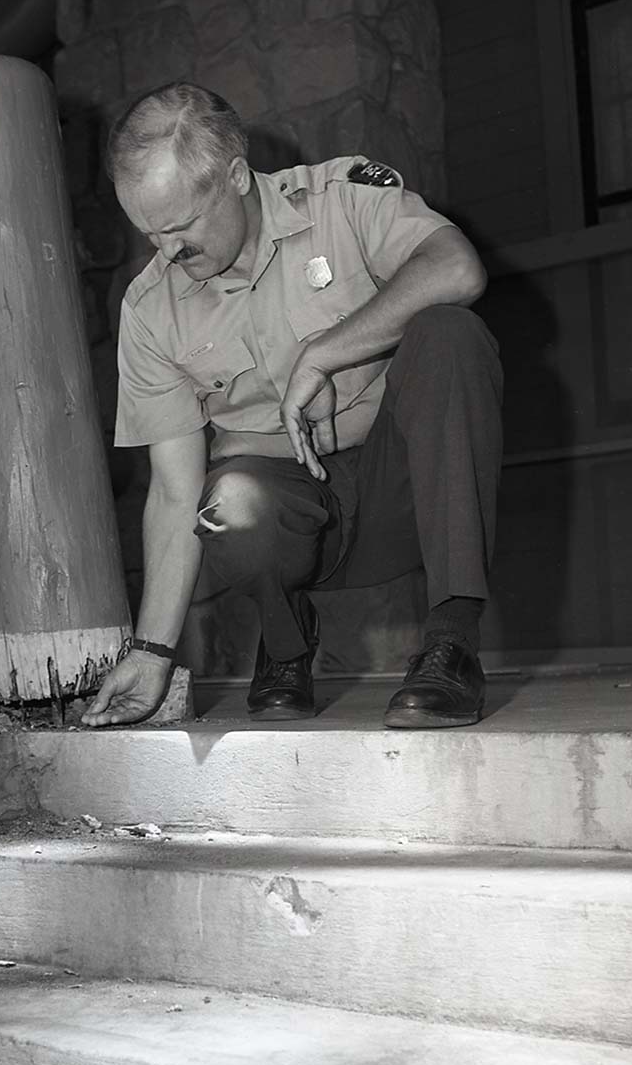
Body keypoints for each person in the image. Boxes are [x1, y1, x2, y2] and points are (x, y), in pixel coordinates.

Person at [82, 82, 503, 729]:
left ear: (236, 177)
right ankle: (285, 647)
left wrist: (325, 351)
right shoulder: (149, 308)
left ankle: (451, 643)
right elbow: (172, 491)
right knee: (225, 503)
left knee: (450, 334)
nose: (164, 252)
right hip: (293, 520)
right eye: (149, 232)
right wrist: (150, 654)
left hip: (409, 491)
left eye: (181, 227)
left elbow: (456, 268)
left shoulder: (338, 200)